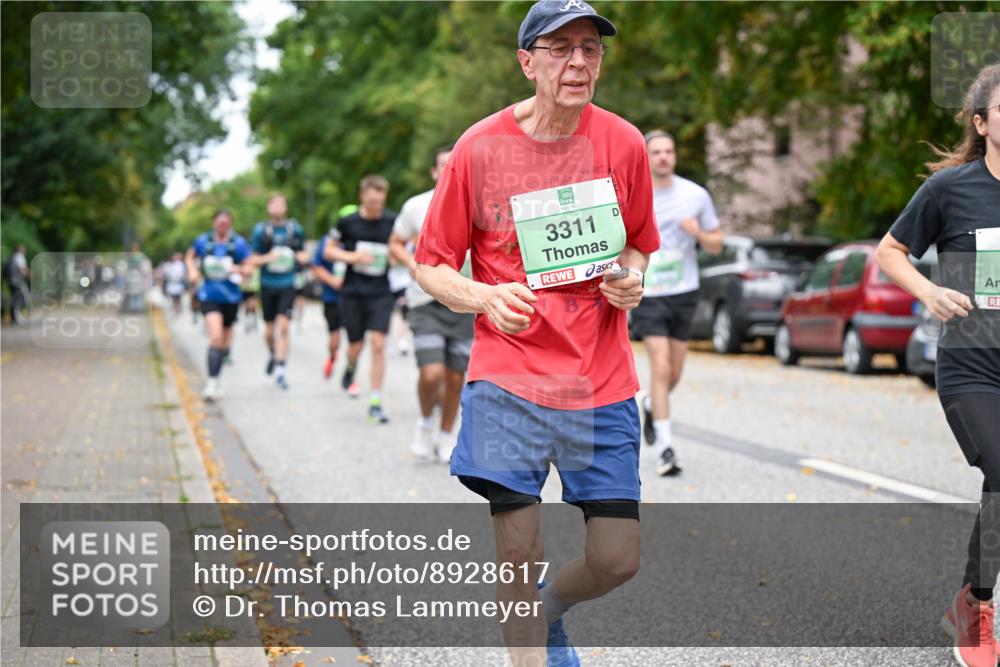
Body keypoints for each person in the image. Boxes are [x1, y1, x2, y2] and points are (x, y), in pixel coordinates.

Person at [414, 2, 660, 665]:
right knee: (519, 550)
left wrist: (632, 280)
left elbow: (639, 244)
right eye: (559, 48)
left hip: (600, 377)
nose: (578, 62)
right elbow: (431, 263)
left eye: (590, 49)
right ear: (527, 62)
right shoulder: (478, 148)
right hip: (510, 375)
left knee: (617, 558)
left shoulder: (624, 143)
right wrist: (487, 295)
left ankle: (550, 610)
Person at [874, 64, 1000, 667]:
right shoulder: (951, 190)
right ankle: (976, 606)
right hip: (973, 364)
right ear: (981, 122)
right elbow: (890, 252)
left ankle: (970, 599)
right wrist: (927, 292)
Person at [633, 129, 723, 476]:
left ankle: (651, 404)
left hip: (684, 290)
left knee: (675, 373)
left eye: (669, 151)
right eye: (656, 152)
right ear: (646, 156)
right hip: (650, 290)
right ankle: (667, 449)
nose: (664, 157)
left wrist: (699, 234)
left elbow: (716, 243)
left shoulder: (695, 195)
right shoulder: (636, 193)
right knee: (660, 366)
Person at [390, 144, 474, 464]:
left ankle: (445, 434)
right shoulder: (416, 206)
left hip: (464, 300)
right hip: (425, 300)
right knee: (431, 373)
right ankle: (425, 423)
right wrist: (411, 265)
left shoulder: (475, 202)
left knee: (455, 377)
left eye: (454, 164)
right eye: (443, 165)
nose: (448, 170)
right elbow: (395, 243)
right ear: (434, 171)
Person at [324, 175, 397, 424]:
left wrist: (397, 257)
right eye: (372, 199)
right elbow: (328, 250)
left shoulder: (392, 221)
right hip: (352, 292)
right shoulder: (347, 222)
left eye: (380, 200)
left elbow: (403, 246)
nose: (376, 205)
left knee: (378, 343)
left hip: (380, 292)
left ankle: (375, 401)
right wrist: (352, 257)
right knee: (355, 345)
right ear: (362, 197)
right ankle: (350, 366)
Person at [186, 209, 252, 401]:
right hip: (209, 295)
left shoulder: (238, 244)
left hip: (231, 298)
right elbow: (189, 257)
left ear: (230, 224)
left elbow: (249, 266)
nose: (222, 226)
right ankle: (212, 383)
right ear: (213, 223)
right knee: (215, 337)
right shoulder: (203, 241)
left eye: (226, 223)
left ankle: (217, 378)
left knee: (223, 342)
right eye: (219, 223)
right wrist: (192, 271)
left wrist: (239, 269)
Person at [249, 194, 309, 390]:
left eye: (281, 204)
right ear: (268, 208)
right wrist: (269, 257)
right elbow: (252, 259)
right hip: (267, 284)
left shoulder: (294, 229)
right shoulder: (261, 231)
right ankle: (273, 354)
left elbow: (302, 252)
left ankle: (281, 370)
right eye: (273, 204)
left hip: (287, 284)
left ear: (286, 207)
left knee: (283, 328)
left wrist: (301, 257)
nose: (277, 207)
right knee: (268, 331)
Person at [313, 227, 345, 380]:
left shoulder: (356, 242)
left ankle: (350, 372)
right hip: (331, 297)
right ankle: (332, 358)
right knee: (335, 338)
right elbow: (316, 266)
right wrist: (331, 280)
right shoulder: (326, 242)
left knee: (356, 338)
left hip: (353, 297)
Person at [161, 252, 188, 317]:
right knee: (173, 298)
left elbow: (184, 274)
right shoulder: (167, 265)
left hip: (178, 284)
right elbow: (164, 276)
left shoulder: (180, 264)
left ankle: (179, 309)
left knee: (178, 298)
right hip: (171, 284)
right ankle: (175, 310)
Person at [242, 266, 260, 333]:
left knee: (252, 305)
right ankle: (248, 321)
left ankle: (253, 320)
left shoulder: (255, 267)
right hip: (244, 289)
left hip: (253, 289)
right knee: (247, 307)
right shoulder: (242, 264)